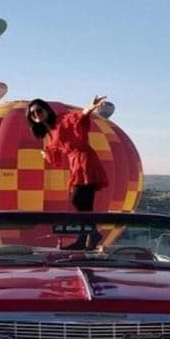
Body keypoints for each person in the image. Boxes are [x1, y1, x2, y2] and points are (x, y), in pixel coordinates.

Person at [27, 96, 110, 249]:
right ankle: (88, 237)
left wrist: (89, 108)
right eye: (33, 114)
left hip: (84, 160)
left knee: (78, 200)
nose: (37, 114)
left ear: (46, 110)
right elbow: (56, 157)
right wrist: (47, 155)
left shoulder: (62, 120)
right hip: (76, 163)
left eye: (39, 110)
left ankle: (90, 235)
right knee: (84, 204)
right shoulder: (50, 133)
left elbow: (79, 117)